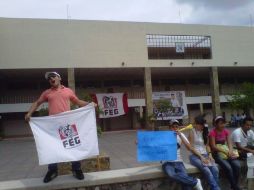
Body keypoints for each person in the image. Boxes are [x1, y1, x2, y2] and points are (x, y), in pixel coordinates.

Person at [25, 71, 94, 183]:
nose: (51, 78)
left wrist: (90, 104)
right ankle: (52, 171)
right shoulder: (47, 92)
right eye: (49, 78)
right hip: (53, 126)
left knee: (72, 146)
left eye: (53, 76)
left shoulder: (68, 91)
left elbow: (77, 101)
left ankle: (76, 169)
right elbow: (37, 103)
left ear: (59, 78)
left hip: (67, 125)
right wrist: (29, 113)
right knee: (52, 148)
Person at [162, 120, 203, 190]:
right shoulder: (164, 135)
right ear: (169, 128)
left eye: (176, 127)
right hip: (167, 162)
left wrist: (180, 135)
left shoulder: (181, 135)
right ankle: (195, 182)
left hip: (178, 161)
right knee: (171, 175)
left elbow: (189, 147)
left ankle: (194, 182)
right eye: (173, 127)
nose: (175, 128)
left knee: (186, 185)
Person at [188, 116, 220, 190]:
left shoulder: (205, 132)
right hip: (194, 156)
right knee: (206, 170)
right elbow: (191, 147)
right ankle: (216, 188)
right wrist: (201, 157)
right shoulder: (192, 131)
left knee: (215, 169)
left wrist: (210, 155)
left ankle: (214, 188)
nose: (199, 126)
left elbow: (207, 145)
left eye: (201, 125)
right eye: (198, 124)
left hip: (205, 154)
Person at [209, 116, 241, 190]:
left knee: (237, 166)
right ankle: (235, 187)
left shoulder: (226, 131)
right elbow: (213, 146)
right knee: (228, 168)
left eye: (223, 123)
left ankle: (234, 185)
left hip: (226, 152)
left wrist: (230, 150)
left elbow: (230, 143)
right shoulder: (212, 132)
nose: (223, 125)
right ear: (216, 124)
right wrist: (225, 152)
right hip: (217, 154)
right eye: (221, 124)